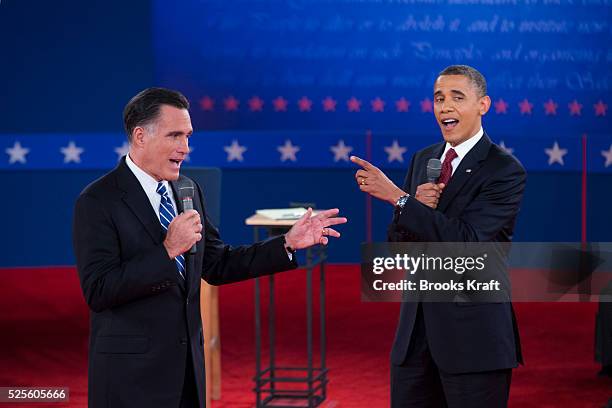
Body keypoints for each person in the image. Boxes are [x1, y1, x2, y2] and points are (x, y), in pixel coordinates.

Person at [72, 87, 347, 408]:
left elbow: (217, 264)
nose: (185, 148)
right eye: (175, 136)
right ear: (140, 136)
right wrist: (167, 251)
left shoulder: (188, 189)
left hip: (187, 374)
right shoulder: (98, 201)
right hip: (130, 378)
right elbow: (99, 290)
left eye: (188, 136)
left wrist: (286, 243)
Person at [351, 65, 526, 407]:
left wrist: (400, 199)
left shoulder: (504, 170)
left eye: (457, 98)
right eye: (438, 98)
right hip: (415, 338)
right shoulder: (424, 159)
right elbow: (400, 246)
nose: (445, 107)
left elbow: (468, 243)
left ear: (483, 105)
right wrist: (410, 207)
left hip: (473, 341)